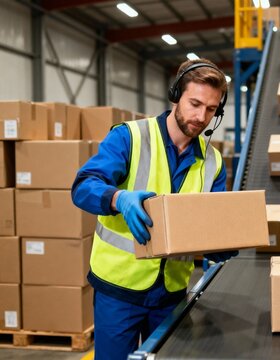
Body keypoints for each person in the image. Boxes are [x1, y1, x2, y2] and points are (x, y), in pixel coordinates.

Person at [72, 58, 238, 360]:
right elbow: (83, 186)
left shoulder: (212, 163)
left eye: (211, 109)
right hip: (118, 290)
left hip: (170, 293)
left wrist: (220, 247)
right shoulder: (130, 137)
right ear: (175, 95)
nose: (201, 117)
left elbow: (212, 226)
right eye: (195, 103)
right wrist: (117, 198)